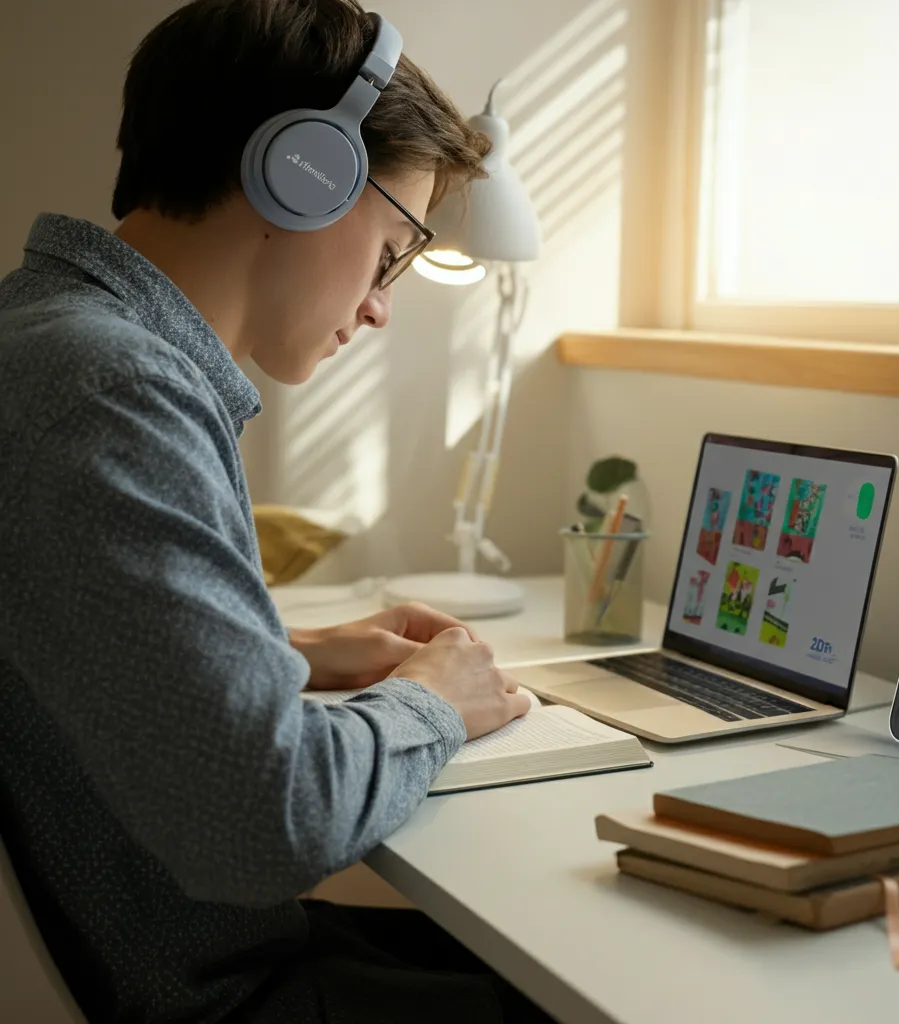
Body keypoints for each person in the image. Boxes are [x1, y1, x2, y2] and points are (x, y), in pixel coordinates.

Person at [0, 0, 549, 1020]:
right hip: (228, 994)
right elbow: (269, 821)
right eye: (393, 246)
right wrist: (433, 696)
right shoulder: (110, 386)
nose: (383, 302)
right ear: (305, 172)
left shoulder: (40, 333)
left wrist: (282, 651)